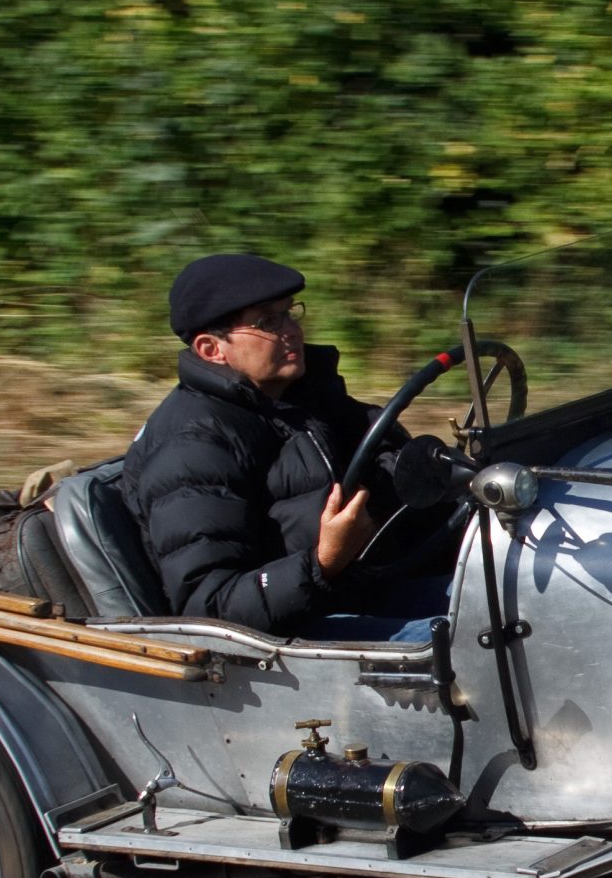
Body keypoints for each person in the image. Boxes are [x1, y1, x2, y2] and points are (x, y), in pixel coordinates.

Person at [123, 252, 463, 637]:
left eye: (289, 313)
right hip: (288, 638)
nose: (292, 330)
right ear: (211, 349)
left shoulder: (302, 398)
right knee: (486, 641)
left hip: (364, 587)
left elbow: (385, 458)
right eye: (267, 321)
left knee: (515, 595)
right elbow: (210, 607)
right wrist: (324, 560)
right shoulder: (192, 445)